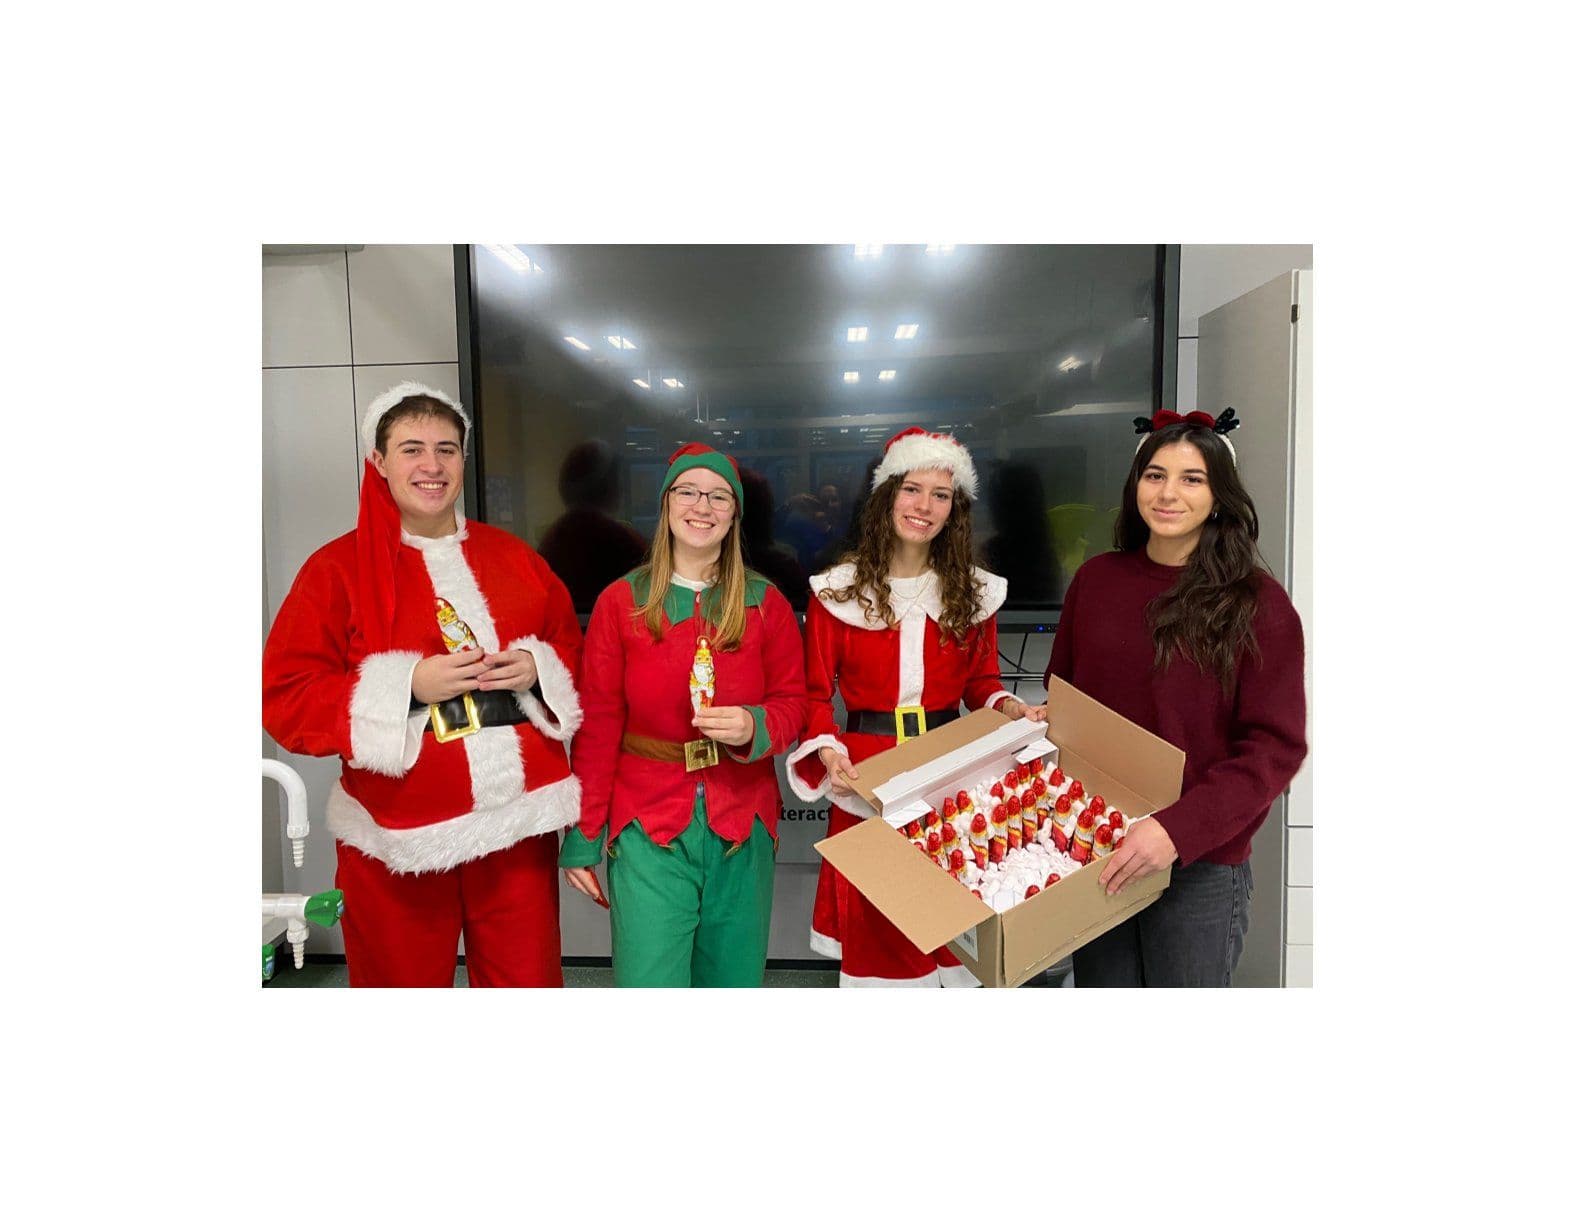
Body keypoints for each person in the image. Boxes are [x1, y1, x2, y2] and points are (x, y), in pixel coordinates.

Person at [263, 382, 583, 988]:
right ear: (378, 462)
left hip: (516, 830)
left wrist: (538, 668)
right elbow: (287, 696)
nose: (432, 466)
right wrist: (406, 684)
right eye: (411, 449)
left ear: (465, 460)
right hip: (395, 838)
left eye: (447, 449)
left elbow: (574, 652)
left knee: (527, 985)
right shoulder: (334, 570)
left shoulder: (516, 558)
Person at [1042, 408, 1307, 987]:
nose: (1168, 493)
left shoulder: (1258, 604)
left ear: (1220, 494)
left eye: (1193, 479)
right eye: (1154, 475)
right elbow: (1066, 693)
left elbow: (1273, 748)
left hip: (1201, 859)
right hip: (1098, 844)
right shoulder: (1097, 581)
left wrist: (1176, 831)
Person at [785, 427, 1046, 987]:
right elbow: (813, 694)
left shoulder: (974, 592)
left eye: (941, 494)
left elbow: (981, 683)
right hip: (868, 774)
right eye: (911, 489)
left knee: (953, 922)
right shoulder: (837, 591)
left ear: (956, 509)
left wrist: (1006, 707)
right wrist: (827, 750)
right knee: (881, 929)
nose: (924, 506)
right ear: (887, 495)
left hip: (947, 768)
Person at [559, 443, 807, 987]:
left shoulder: (767, 604)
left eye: (720, 495)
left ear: (736, 513)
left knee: (732, 980)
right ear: (666, 503)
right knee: (650, 981)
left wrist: (753, 727)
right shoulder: (620, 602)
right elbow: (599, 727)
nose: (703, 506)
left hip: (742, 820)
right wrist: (583, 835)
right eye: (689, 491)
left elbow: (794, 703)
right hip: (647, 822)